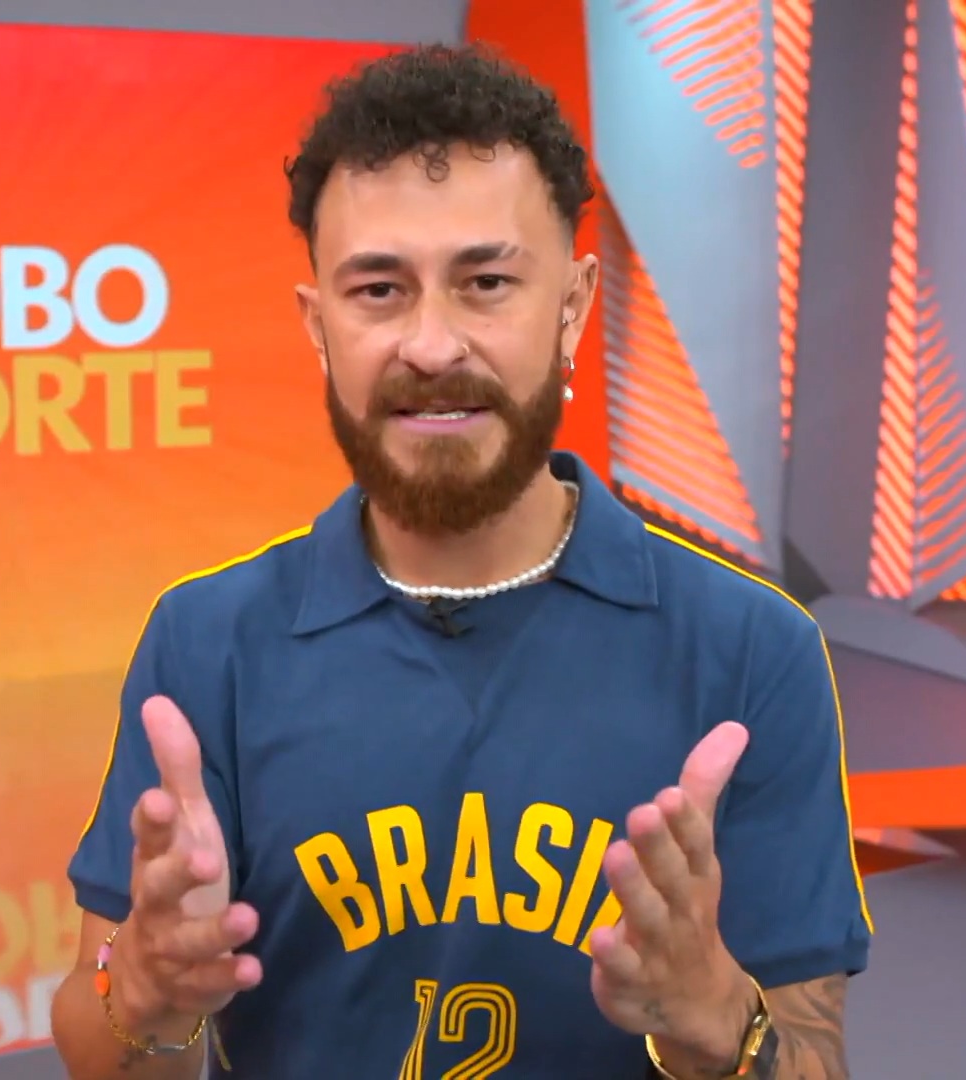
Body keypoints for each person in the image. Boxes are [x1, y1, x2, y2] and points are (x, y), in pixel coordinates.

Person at [50, 43, 872, 1079]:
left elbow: (812, 1054)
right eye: (378, 290)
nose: (432, 345)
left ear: (572, 305)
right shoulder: (207, 642)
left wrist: (717, 1023)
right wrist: (143, 996)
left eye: (486, 283)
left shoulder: (753, 651)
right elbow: (107, 1048)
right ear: (318, 326)